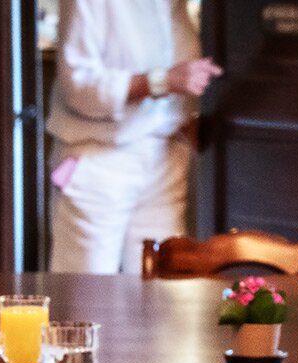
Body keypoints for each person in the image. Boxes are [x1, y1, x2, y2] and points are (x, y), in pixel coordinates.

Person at [47, 0, 221, 274]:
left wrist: (189, 122)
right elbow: (78, 85)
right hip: (101, 161)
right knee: (87, 293)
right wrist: (160, 81)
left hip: (167, 159)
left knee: (164, 296)